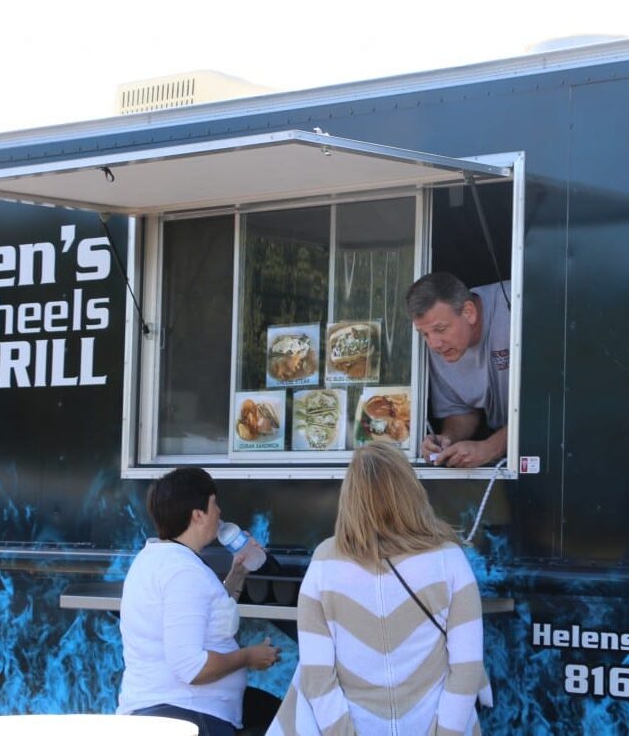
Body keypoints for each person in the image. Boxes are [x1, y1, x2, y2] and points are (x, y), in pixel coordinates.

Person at [267, 442, 492, 735]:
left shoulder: (324, 562)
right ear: (410, 491)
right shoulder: (448, 559)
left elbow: (318, 677)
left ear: (350, 496)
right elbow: (466, 669)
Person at [118, 466, 282, 736]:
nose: (219, 513)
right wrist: (248, 657)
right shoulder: (182, 571)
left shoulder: (157, 559)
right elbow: (191, 667)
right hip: (188, 714)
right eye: (214, 505)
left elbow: (207, 616)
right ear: (198, 515)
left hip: (175, 708)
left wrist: (238, 573)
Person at [406, 272, 511, 468]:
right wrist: (446, 440)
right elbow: (461, 410)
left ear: (469, 312)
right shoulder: (441, 348)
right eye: (424, 334)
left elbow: (552, 402)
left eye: (440, 329)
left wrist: (491, 447)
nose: (434, 344)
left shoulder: (515, 303)